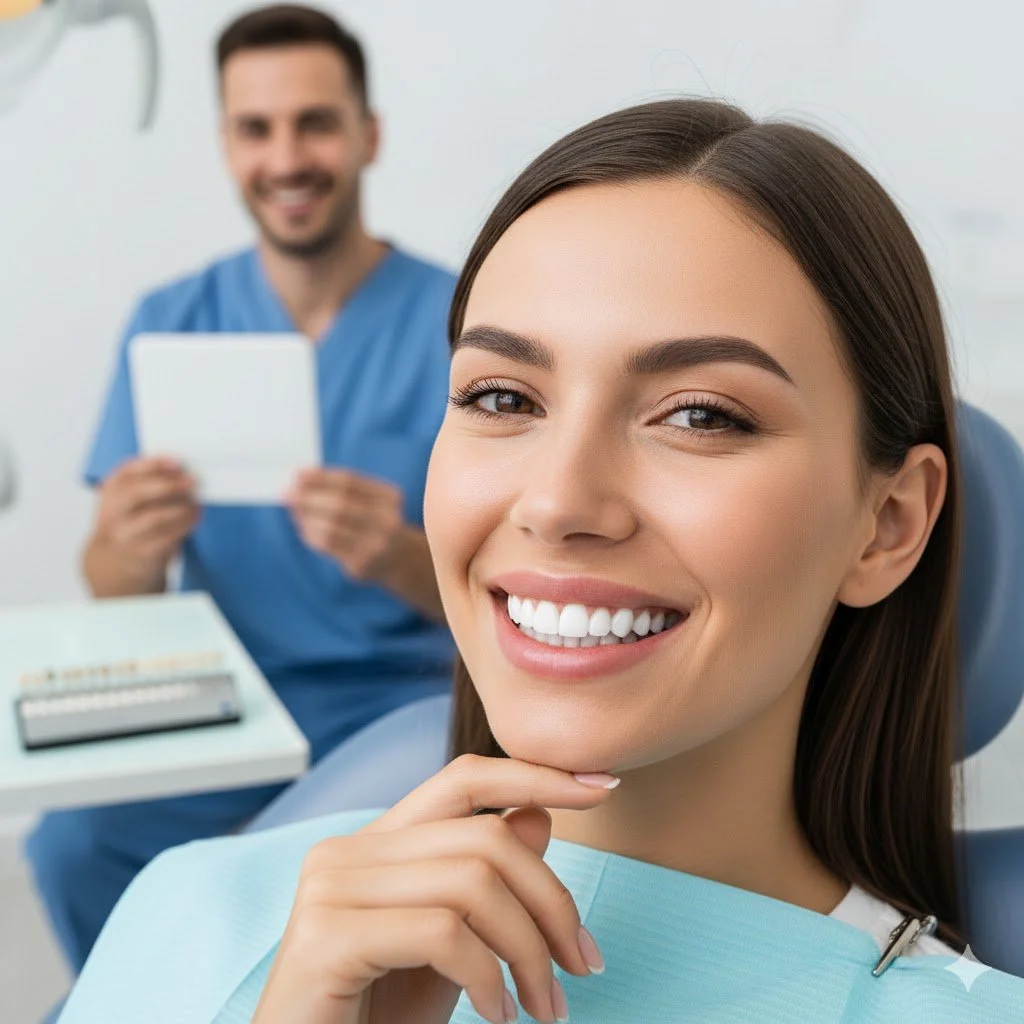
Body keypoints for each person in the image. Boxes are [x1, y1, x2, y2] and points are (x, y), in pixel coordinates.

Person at [56, 98, 1024, 1023]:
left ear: (888, 523)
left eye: (699, 415)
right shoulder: (190, 908)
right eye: (502, 398)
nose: (558, 502)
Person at [26, 4, 455, 974]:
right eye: (256, 129)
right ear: (226, 145)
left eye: (315, 122)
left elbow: (509, 584)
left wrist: (393, 552)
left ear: (366, 134)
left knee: (251, 877)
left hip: (396, 704)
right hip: (217, 704)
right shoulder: (173, 319)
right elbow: (113, 587)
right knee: (68, 850)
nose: (286, 156)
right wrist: (129, 547)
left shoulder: (456, 321)